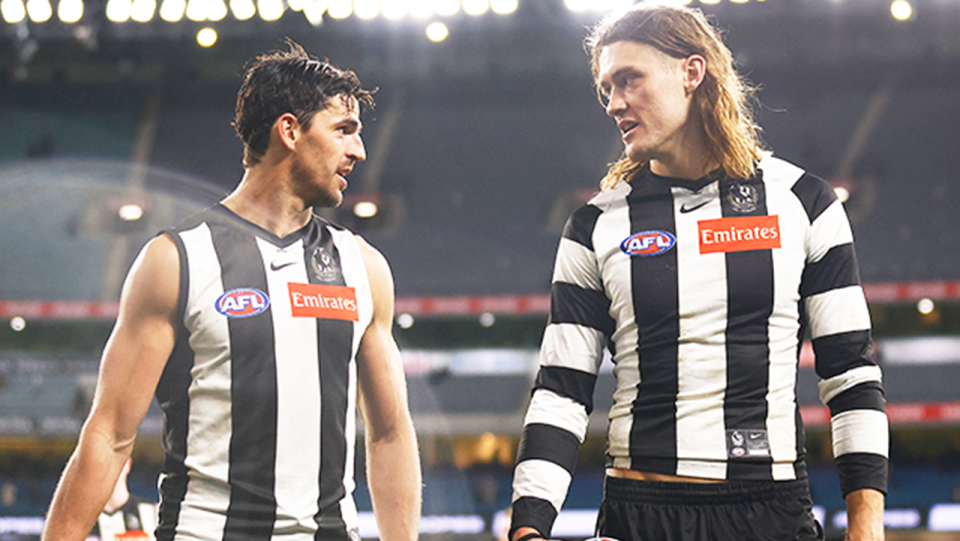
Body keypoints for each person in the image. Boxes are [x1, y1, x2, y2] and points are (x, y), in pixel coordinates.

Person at [509, 4, 887, 541]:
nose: (614, 103)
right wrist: (528, 526)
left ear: (692, 71)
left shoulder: (804, 202)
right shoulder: (595, 224)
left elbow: (850, 374)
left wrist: (867, 525)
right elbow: (562, 391)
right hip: (641, 510)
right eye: (606, 89)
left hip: (769, 508)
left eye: (629, 79)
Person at [42, 41, 421, 541]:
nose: (359, 151)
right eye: (343, 131)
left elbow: (391, 433)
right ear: (289, 131)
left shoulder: (363, 267)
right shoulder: (175, 260)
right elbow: (110, 434)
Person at [93, 458, 157, 541]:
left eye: (115, 462)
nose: (109, 469)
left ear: (128, 464)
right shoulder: (77, 519)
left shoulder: (153, 514)